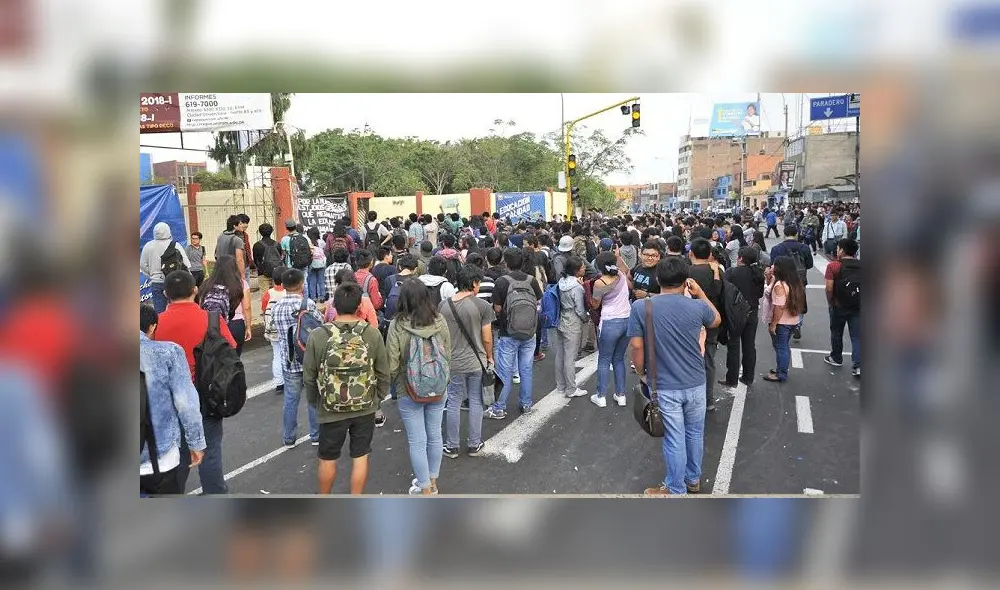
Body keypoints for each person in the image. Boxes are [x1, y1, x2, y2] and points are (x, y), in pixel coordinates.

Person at [629, 257, 721, 495]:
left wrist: (641, 373)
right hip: (696, 381)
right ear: (685, 280)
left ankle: (675, 488)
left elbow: (637, 347)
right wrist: (700, 293)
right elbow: (716, 319)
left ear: (658, 279)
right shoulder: (698, 307)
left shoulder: (642, 307)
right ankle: (693, 479)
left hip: (664, 385)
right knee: (694, 433)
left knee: (674, 437)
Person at [153, 270, 237, 494]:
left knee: (174, 453)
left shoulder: (155, 324)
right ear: (195, 290)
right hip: (206, 395)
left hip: (167, 398)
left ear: (165, 293)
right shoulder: (211, 319)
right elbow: (230, 351)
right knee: (209, 450)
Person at [303, 282, 390, 494]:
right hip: (365, 405)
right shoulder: (371, 334)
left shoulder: (318, 335)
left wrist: (316, 401)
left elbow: (309, 376)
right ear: (360, 306)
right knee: (360, 457)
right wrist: (376, 398)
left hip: (330, 407)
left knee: (327, 458)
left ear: (334, 305)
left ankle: (324, 500)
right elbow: (383, 373)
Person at [386, 280, 452, 494]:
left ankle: (424, 488)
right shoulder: (439, 320)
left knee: (417, 440)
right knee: (435, 435)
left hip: (409, 388)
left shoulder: (397, 325)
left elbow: (392, 363)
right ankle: (433, 482)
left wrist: (394, 383)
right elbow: (447, 353)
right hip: (438, 385)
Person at [140, 304, 206, 495]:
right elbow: (186, 404)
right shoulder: (169, 353)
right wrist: (196, 443)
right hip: (161, 456)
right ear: (152, 327)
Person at [439, 265, 495, 458]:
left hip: (453, 362)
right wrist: (489, 357)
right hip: (476, 361)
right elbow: (487, 337)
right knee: (476, 400)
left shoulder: (444, 306)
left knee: (453, 400)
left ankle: (452, 446)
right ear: (473, 283)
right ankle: (474, 444)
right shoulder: (482, 307)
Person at [485, 248, 543, 420]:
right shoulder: (531, 280)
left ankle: (499, 407)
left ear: (506, 263)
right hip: (529, 331)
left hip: (508, 332)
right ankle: (525, 403)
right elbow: (538, 301)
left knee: (504, 371)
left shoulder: (502, 281)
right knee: (526, 369)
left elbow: (497, 308)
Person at [271, 269, 322, 446]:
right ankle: (316, 435)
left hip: (289, 360)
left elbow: (274, 331)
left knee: (290, 400)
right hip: (309, 359)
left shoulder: (276, 307)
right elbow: (320, 325)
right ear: (302, 284)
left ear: (283, 285)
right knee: (313, 397)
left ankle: (289, 437)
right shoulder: (307, 304)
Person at [590, 251, 633, 408]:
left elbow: (595, 304)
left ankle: (601, 396)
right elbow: (630, 285)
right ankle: (621, 395)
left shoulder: (600, 283)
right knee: (619, 358)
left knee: (604, 359)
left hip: (610, 322)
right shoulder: (621, 275)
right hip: (627, 319)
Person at [687, 238, 724, 411]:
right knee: (708, 360)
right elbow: (719, 291)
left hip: (689, 321)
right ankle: (708, 400)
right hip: (711, 321)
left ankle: (690, 399)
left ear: (690, 253)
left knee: (687, 359)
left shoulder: (685, 272)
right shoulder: (716, 270)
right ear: (709, 254)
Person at [720, 247, 765, 387]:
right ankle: (748, 377)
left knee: (733, 346)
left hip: (734, 314)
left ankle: (731, 378)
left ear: (740, 258)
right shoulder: (758, 273)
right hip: (752, 312)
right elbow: (759, 294)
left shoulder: (731, 272)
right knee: (749, 346)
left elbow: (724, 292)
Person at [551, 255, 589, 399]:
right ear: (577, 271)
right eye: (582, 267)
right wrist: (586, 318)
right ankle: (571, 388)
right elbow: (580, 309)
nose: (584, 268)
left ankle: (560, 386)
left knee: (560, 355)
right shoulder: (577, 288)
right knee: (570, 358)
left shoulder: (562, 281)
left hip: (561, 319)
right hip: (573, 322)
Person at [198, 254, 252, 355]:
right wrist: (248, 327)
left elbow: (201, 305)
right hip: (236, 324)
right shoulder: (241, 283)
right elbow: (247, 307)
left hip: (212, 324)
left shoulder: (207, 284)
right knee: (234, 359)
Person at [764, 256, 805, 383]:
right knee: (783, 346)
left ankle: (781, 373)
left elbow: (779, 307)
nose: (771, 267)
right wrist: (768, 277)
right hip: (793, 320)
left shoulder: (780, 286)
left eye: (774, 265)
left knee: (781, 347)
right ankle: (780, 369)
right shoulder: (794, 282)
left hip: (782, 322)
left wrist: (773, 324)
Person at [824, 238, 861, 378]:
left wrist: (831, 301)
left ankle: (836, 357)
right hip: (858, 306)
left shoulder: (834, 266)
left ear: (842, 250)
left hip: (838, 305)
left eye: (838, 248)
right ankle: (858, 365)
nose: (836, 250)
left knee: (836, 332)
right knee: (857, 336)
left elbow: (829, 288)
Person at [770, 224, 813, 341]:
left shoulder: (777, 249)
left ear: (784, 234)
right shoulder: (804, 248)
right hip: (799, 280)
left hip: (781, 281)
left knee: (781, 302)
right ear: (796, 234)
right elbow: (809, 265)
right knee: (799, 300)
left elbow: (772, 265)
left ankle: (784, 323)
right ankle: (797, 324)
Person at [140, 222, 191, 313]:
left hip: (156, 282)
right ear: (168, 231)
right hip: (174, 282)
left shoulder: (148, 246)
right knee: (176, 309)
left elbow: (142, 265)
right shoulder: (175, 245)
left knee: (159, 311)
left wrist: (152, 274)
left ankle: (161, 326)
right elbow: (186, 264)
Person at [261, 266, 288, 395]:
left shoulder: (267, 294)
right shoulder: (288, 293)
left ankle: (279, 382)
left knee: (276, 354)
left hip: (273, 329)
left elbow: (263, 310)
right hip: (287, 328)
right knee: (290, 353)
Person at [252, 223, 284, 293]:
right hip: (276, 272)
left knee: (264, 294)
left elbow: (255, 260)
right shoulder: (277, 244)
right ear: (271, 231)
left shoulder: (257, 245)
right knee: (277, 293)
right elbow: (280, 256)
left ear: (260, 232)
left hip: (263, 272)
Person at [215, 215, 247, 280]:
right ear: (234, 226)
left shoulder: (220, 236)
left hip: (220, 270)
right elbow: (239, 260)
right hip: (232, 272)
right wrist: (242, 275)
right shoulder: (237, 240)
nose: (242, 226)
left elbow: (216, 253)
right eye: (240, 224)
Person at [305, 227, 327, 302]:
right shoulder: (322, 242)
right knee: (321, 280)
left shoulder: (308, 242)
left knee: (312, 281)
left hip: (312, 263)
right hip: (321, 263)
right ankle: (322, 296)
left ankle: (313, 297)